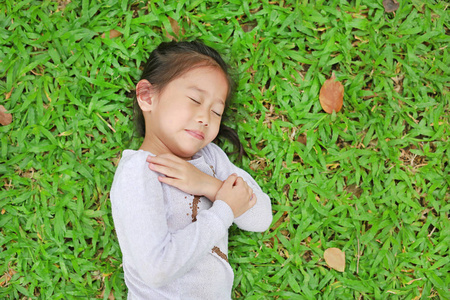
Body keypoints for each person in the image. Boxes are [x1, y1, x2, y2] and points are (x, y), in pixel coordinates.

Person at [110, 40, 273, 299]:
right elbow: (157, 269)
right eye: (194, 100)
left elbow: (261, 218)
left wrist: (209, 185)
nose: (205, 117)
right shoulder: (139, 172)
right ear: (147, 96)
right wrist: (223, 211)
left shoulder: (211, 158)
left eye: (216, 112)